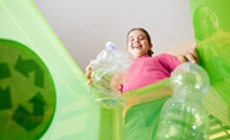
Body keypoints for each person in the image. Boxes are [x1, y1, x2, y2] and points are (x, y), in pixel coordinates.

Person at [85, 28, 198, 93]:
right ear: (128, 49)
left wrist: (191, 55)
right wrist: (97, 81)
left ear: (149, 45)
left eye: (141, 38)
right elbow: (115, 93)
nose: (136, 41)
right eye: (132, 40)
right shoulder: (123, 70)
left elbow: (183, 64)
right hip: (135, 109)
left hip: (162, 98)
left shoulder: (161, 58)